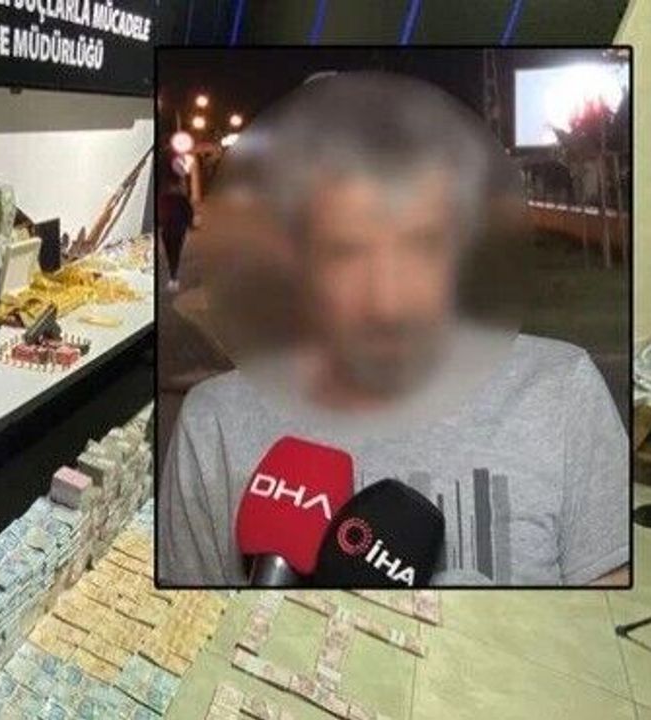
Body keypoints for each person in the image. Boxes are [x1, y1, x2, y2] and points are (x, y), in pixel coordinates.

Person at [157, 72, 630, 587]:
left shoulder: (561, 394)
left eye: (421, 246)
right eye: (345, 251)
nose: (387, 300)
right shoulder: (214, 427)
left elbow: (610, 624)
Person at [157, 175, 193, 292]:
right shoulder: (182, 199)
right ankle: (173, 276)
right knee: (175, 253)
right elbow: (189, 213)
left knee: (170, 253)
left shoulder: (162, 199)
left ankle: (173, 275)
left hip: (166, 230)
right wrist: (190, 225)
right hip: (178, 230)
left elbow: (159, 215)